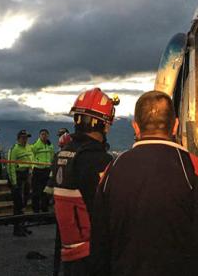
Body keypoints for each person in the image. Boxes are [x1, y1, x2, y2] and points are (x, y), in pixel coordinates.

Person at [92, 91, 198, 276]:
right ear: (175, 126)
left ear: (136, 128)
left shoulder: (112, 169)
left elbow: (99, 241)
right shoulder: (195, 168)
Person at [49, 88, 118, 275]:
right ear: (105, 125)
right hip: (93, 253)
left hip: (69, 249)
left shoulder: (61, 155)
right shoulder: (99, 160)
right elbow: (111, 210)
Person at [7, 130, 34, 236]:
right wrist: (14, 182)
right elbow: (10, 166)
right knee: (18, 204)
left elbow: (31, 160)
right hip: (18, 176)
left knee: (24, 203)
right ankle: (17, 228)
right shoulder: (14, 149)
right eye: (23, 137)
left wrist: (31, 173)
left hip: (27, 176)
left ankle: (22, 226)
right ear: (18, 138)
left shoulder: (29, 147)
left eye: (26, 137)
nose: (25, 139)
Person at [30, 129, 54, 213]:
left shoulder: (50, 145)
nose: (44, 136)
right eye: (42, 134)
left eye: (46, 134)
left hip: (47, 170)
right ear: (39, 136)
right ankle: (35, 211)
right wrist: (32, 167)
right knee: (36, 192)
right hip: (38, 170)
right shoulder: (35, 146)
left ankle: (45, 210)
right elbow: (31, 156)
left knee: (46, 191)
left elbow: (52, 157)